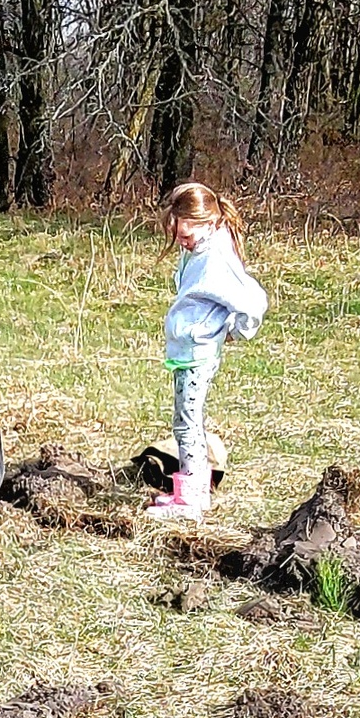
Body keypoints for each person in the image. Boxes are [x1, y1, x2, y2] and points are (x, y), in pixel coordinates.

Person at [144, 181, 267, 522]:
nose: (181, 243)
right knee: (186, 421)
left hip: (198, 352)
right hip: (188, 349)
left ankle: (192, 501)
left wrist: (233, 331)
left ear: (208, 223)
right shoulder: (200, 249)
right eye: (177, 237)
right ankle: (189, 492)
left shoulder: (215, 259)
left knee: (187, 424)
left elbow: (253, 302)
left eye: (185, 236)